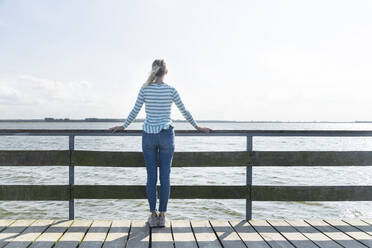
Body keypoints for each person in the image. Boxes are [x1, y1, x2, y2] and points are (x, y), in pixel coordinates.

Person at [109, 59, 212, 227]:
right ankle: (162, 216)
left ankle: (153, 215)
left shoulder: (145, 89)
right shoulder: (171, 90)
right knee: (165, 177)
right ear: (166, 72)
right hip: (166, 135)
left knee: (151, 177)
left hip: (149, 135)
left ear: (152, 70)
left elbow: (135, 110)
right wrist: (197, 126)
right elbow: (184, 110)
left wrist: (123, 126)